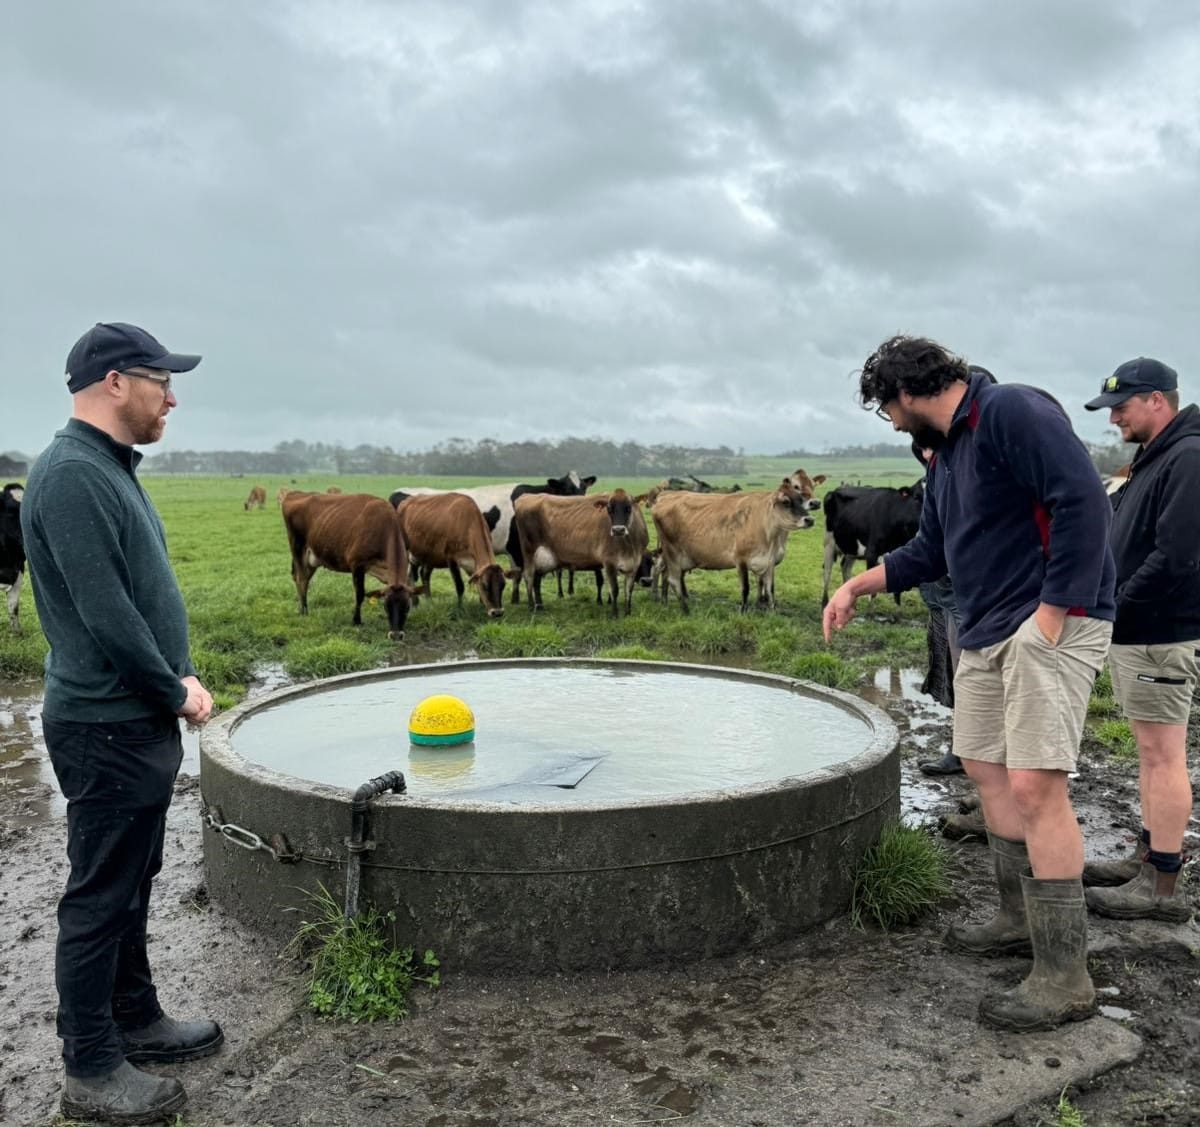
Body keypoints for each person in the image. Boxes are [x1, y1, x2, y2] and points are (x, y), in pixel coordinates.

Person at [823, 335, 1115, 1033]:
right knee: (986, 768)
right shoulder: (946, 455)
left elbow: (1083, 503)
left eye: (888, 409)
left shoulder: (1011, 411)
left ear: (908, 393)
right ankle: (1017, 919)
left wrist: (1052, 613)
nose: (892, 422)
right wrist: (858, 584)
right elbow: (932, 549)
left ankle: (1065, 976)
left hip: (1048, 622)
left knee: (1036, 785)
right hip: (985, 628)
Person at [21, 322, 222, 1124]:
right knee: (100, 895)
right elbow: (107, 616)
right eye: (161, 381)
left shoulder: (106, 467)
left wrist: (176, 675)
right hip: (105, 724)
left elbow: (137, 597)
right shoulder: (73, 475)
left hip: (129, 719)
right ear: (114, 381)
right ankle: (92, 1066)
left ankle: (135, 1017)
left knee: (132, 880)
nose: (171, 398)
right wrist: (175, 690)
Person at [1081, 358, 1200, 923]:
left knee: (1162, 754)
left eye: (1121, 408)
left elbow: (1178, 556)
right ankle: (1147, 858)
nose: (1114, 420)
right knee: (1151, 754)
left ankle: (1161, 886)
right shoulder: (1159, 455)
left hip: (1159, 632)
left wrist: (1119, 604)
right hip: (1141, 633)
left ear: (1157, 400)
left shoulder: (1188, 457)